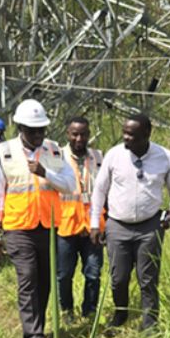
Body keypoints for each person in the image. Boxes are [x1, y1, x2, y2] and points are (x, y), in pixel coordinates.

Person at [0, 99, 76, 338]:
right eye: (32, 130)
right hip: (18, 227)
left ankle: (39, 326)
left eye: (41, 130)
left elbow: (70, 185)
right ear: (20, 128)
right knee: (27, 277)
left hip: (48, 227)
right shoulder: (5, 152)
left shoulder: (52, 152)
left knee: (44, 281)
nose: (37, 135)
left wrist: (46, 173)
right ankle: (33, 336)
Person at [89, 114, 170, 332]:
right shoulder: (114, 155)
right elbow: (99, 191)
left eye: (131, 134)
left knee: (148, 277)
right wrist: (96, 223)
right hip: (117, 225)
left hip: (150, 226)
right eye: (124, 133)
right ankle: (120, 314)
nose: (125, 138)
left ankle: (150, 322)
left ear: (146, 134)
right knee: (118, 277)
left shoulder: (164, 157)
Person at [57, 116, 104, 321]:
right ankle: (67, 310)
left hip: (93, 225)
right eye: (74, 134)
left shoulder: (98, 157)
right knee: (64, 274)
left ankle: (90, 311)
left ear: (89, 134)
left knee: (93, 272)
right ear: (68, 134)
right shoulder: (57, 156)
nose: (79, 138)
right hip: (66, 225)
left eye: (83, 134)